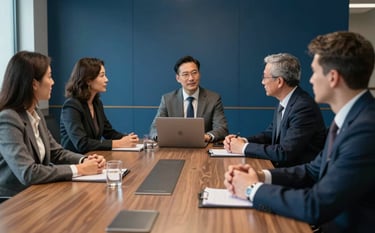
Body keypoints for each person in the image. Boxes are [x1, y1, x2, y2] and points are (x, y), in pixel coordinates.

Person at [224, 31, 375, 233]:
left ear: (333, 77)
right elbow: (313, 170)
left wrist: (252, 189)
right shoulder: (350, 119)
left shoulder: (366, 129)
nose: (310, 80)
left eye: (314, 72)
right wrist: (260, 176)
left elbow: (316, 206)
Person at [0, 51, 106, 197]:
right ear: (34, 84)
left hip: (39, 193)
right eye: (49, 77)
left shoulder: (35, 112)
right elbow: (28, 172)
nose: (53, 82)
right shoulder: (8, 119)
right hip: (15, 202)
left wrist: (85, 160)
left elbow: (56, 152)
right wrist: (79, 169)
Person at [224, 53, 326, 167]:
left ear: (279, 81)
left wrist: (243, 148)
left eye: (265, 77)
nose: (262, 82)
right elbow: (270, 134)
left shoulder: (303, 107)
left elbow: (284, 152)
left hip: (297, 177)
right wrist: (243, 141)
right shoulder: (285, 101)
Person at [60, 58, 139, 153]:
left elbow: (108, 131)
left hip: (93, 158)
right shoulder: (71, 106)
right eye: (102, 76)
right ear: (88, 80)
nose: (106, 80)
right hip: (75, 162)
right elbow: (82, 143)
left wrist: (127, 139)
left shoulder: (97, 103)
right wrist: (118, 143)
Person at [149, 55, 228, 142]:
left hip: (202, 147)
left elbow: (222, 128)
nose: (191, 78)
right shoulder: (167, 99)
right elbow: (154, 129)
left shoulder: (213, 99)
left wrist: (206, 136)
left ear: (199, 74)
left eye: (194, 73)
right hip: (175, 147)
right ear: (178, 78)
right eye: (185, 74)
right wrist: (162, 137)